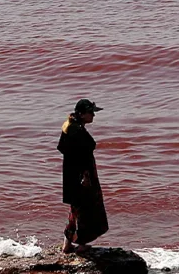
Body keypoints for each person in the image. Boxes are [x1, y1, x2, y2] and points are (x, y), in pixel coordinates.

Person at [57, 98, 109, 253]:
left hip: (71, 176)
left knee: (76, 209)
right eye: (90, 112)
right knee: (88, 210)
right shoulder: (77, 131)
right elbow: (82, 156)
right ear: (81, 114)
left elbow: (64, 150)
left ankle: (67, 243)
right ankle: (81, 244)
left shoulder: (70, 126)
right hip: (82, 177)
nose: (93, 115)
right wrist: (85, 176)